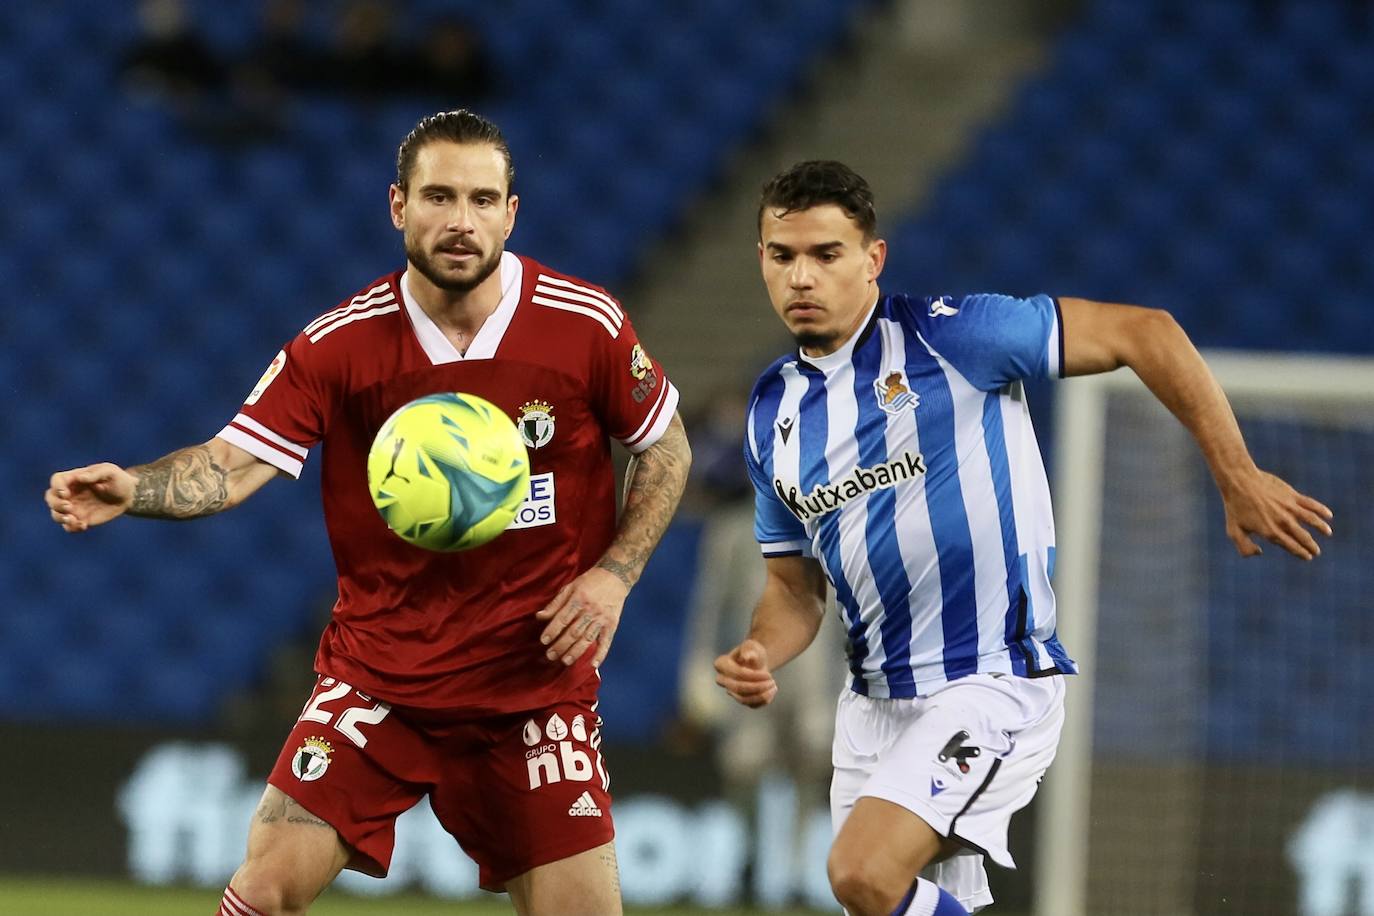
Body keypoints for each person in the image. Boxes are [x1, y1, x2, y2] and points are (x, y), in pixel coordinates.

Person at [45, 109, 692, 916]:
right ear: (398, 206)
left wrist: (614, 576)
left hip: (533, 687)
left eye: (483, 200)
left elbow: (666, 451)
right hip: (381, 682)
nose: (461, 222)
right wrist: (134, 489)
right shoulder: (339, 347)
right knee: (265, 889)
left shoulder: (581, 324)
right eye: (439, 197)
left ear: (511, 213)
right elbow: (230, 466)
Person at [713, 160, 1332, 916]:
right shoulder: (770, 411)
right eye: (783, 256)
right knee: (889, 897)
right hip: (872, 704)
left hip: (990, 680)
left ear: (872, 260)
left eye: (826, 254)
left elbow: (1147, 331)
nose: (801, 277)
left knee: (863, 874)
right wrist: (758, 651)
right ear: (761, 261)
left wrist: (1236, 474)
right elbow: (792, 591)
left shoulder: (956, 336)